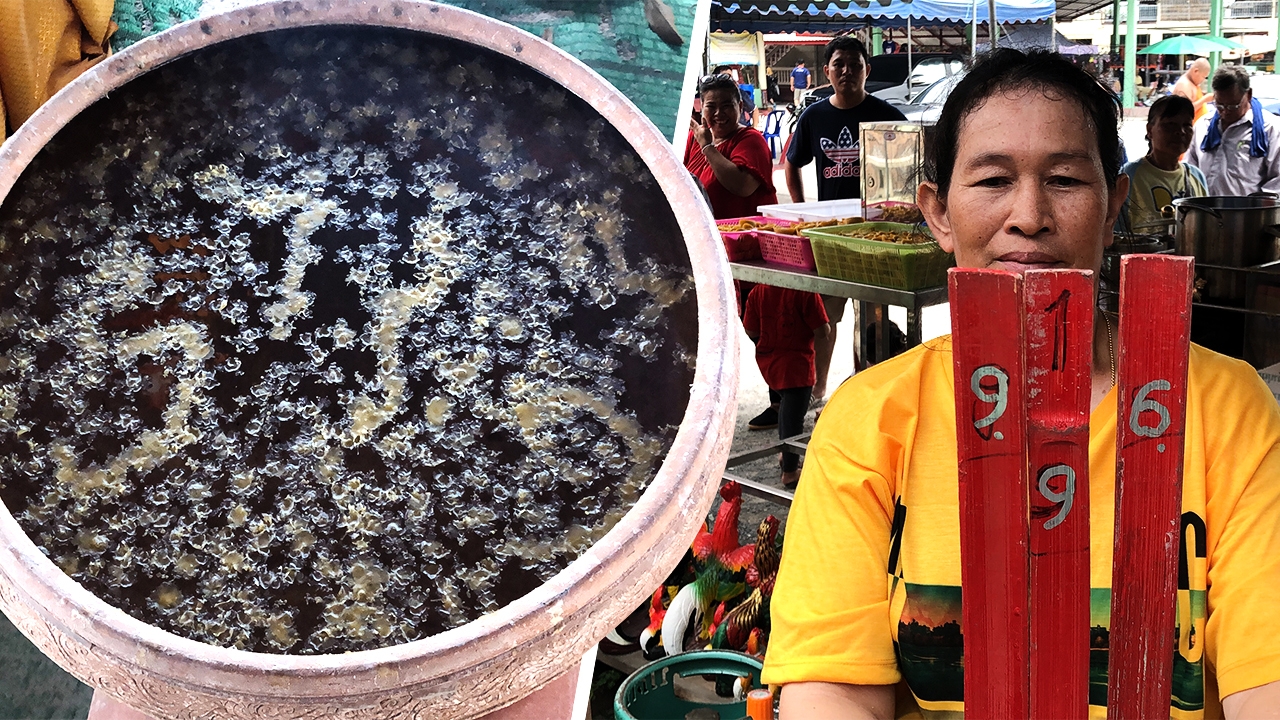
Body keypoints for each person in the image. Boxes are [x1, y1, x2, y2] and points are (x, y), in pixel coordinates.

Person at [762, 48, 1280, 719]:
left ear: (1113, 202)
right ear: (938, 213)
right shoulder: (871, 421)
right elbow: (831, 692)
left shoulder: (1227, 412)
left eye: (1065, 180)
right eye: (992, 181)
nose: (1029, 215)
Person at [784, 35, 907, 403]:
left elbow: (912, 159)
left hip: (877, 235)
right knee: (826, 319)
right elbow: (792, 164)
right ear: (827, 71)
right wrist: (804, 212)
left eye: (855, 65)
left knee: (872, 318)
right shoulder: (815, 116)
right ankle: (819, 389)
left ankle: (865, 387)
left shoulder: (888, 115)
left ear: (867, 70)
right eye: (839, 65)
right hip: (833, 237)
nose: (847, 72)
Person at [742, 285, 831, 487]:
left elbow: (750, 330)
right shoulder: (806, 291)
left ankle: (785, 454)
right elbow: (822, 331)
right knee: (793, 421)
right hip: (797, 366)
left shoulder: (759, 291)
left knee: (785, 410)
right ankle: (790, 472)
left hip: (770, 363)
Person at [683, 73, 778, 220]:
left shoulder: (752, 139)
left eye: (727, 106)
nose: (719, 113)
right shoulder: (695, 136)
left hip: (744, 238)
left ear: (740, 107)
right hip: (706, 235)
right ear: (702, 108)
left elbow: (742, 186)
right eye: (711, 106)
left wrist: (707, 147)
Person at [1185, 65, 1280, 196]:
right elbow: (1189, 170)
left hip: (1249, 213)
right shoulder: (1203, 126)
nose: (1225, 112)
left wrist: (1256, 206)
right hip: (1204, 211)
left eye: (1233, 106)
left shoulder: (1271, 129)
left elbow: (1277, 182)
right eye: (1219, 105)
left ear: (1248, 94)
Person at [1119, 94, 1207, 233]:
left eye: (1187, 125)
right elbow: (1118, 233)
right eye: (1170, 125)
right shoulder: (1130, 175)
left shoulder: (1196, 177)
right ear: (1149, 130)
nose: (1180, 132)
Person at [1173, 58, 1214, 126]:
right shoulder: (1184, 85)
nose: (1203, 80)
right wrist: (1205, 99)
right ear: (1196, 71)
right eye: (1203, 77)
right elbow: (1185, 111)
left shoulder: (1192, 83)